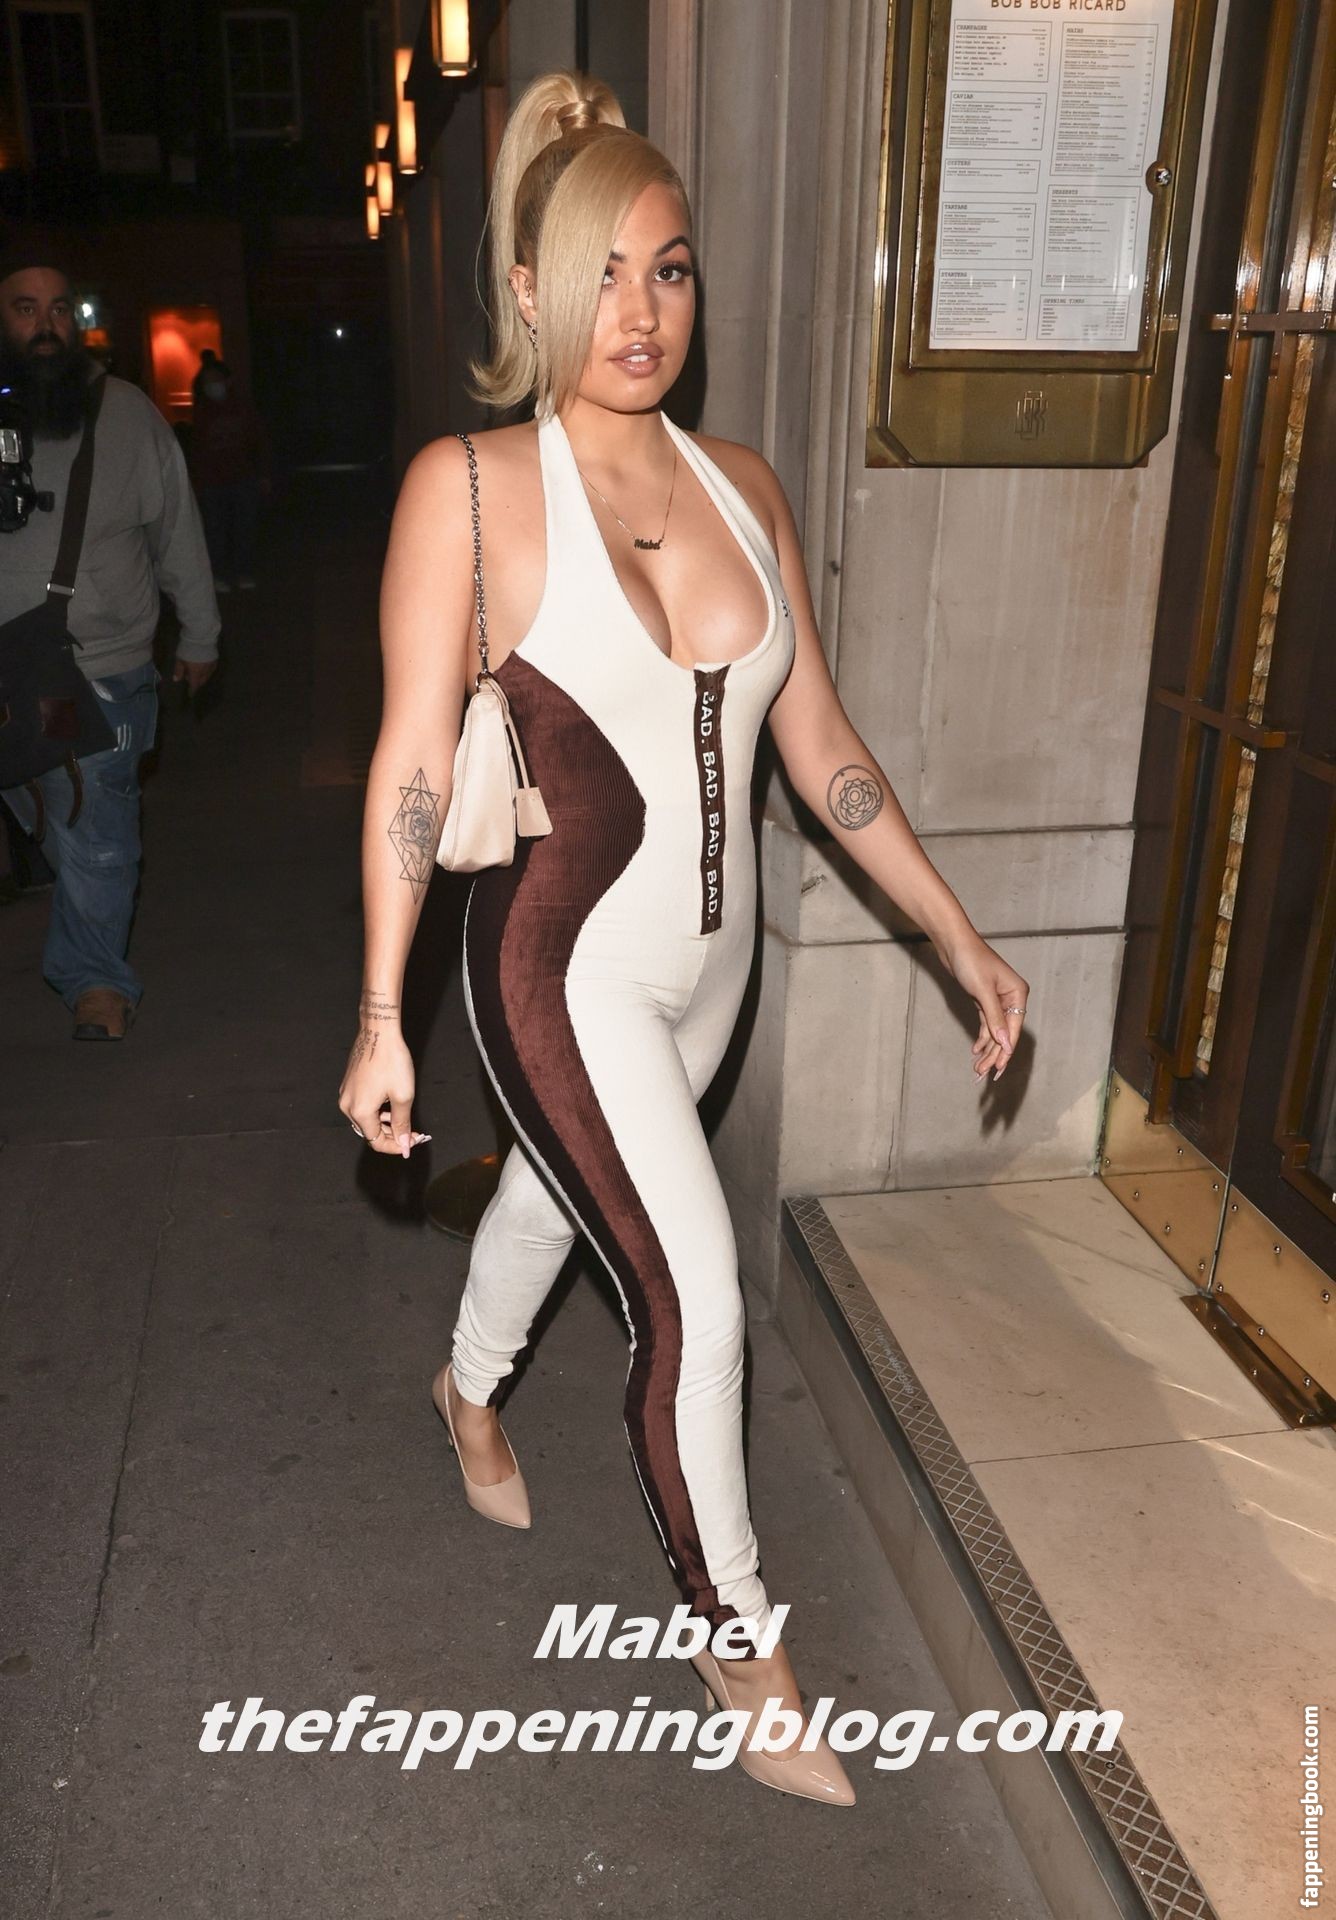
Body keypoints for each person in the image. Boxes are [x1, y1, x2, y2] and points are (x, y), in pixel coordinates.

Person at [338, 70, 1030, 1805]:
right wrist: (381, 1012)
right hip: (555, 966)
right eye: (600, 274)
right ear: (526, 290)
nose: (640, 312)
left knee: (550, 1197)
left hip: (716, 979)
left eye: (670, 268)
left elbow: (825, 749)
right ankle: (740, 1644)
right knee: (691, 1296)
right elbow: (412, 763)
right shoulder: (470, 491)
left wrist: (957, 936)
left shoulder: (745, 489)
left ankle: (465, 1390)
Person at [0, 259, 220, 1039]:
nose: (47, 326)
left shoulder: (126, 414)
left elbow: (176, 528)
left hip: (88, 674)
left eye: (60, 308)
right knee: (55, 814)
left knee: (93, 824)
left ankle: (95, 983)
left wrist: (200, 632)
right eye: (26, 309)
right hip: (6, 681)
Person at [188, 358, 268, 592]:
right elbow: (197, 449)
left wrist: (263, 473)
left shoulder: (243, 408)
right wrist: (197, 480)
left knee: (244, 528)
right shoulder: (202, 412)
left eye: (215, 380)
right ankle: (220, 574)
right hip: (212, 481)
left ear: (227, 381)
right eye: (207, 381)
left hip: (243, 477)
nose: (211, 385)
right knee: (215, 531)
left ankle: (244, 572)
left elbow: (259, 441)